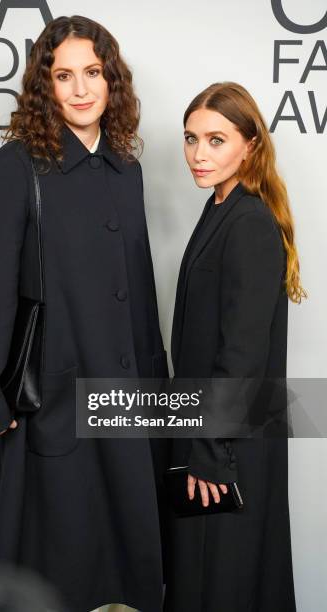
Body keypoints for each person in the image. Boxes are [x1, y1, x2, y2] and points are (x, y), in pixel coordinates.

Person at [0, 15, 169, 612]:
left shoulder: (128, 169)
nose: (80, 89)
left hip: (125, 405)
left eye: (92, 73)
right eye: (63, 75)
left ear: (111, 80)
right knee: (55, 581)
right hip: (53, 405)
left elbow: (140, 300)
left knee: (124, 579)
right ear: (44, 87)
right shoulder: (12, 170)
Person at [164, 82, 305, 611]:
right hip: (210, 432)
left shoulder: (247, 223)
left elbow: (241, 357)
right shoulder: (221, 207)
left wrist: (209, 454)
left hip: (225, 446)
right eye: (190, 138)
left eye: (216, 140)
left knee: (218, 582)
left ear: (250, 145)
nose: (198, 154)